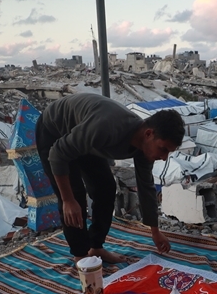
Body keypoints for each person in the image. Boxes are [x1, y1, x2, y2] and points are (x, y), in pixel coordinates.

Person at [36, 93, 184, 264]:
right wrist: (68, 200)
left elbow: (146, 186)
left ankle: (96, 247)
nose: (164, 157)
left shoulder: (144, 148)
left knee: (105, 187)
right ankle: (81, 256)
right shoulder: (105, 128)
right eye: (163, 149)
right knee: (74, 196)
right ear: (149, 134)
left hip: (84, 137)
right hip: (54, 131)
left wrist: (155, 231)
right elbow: (57, 154)